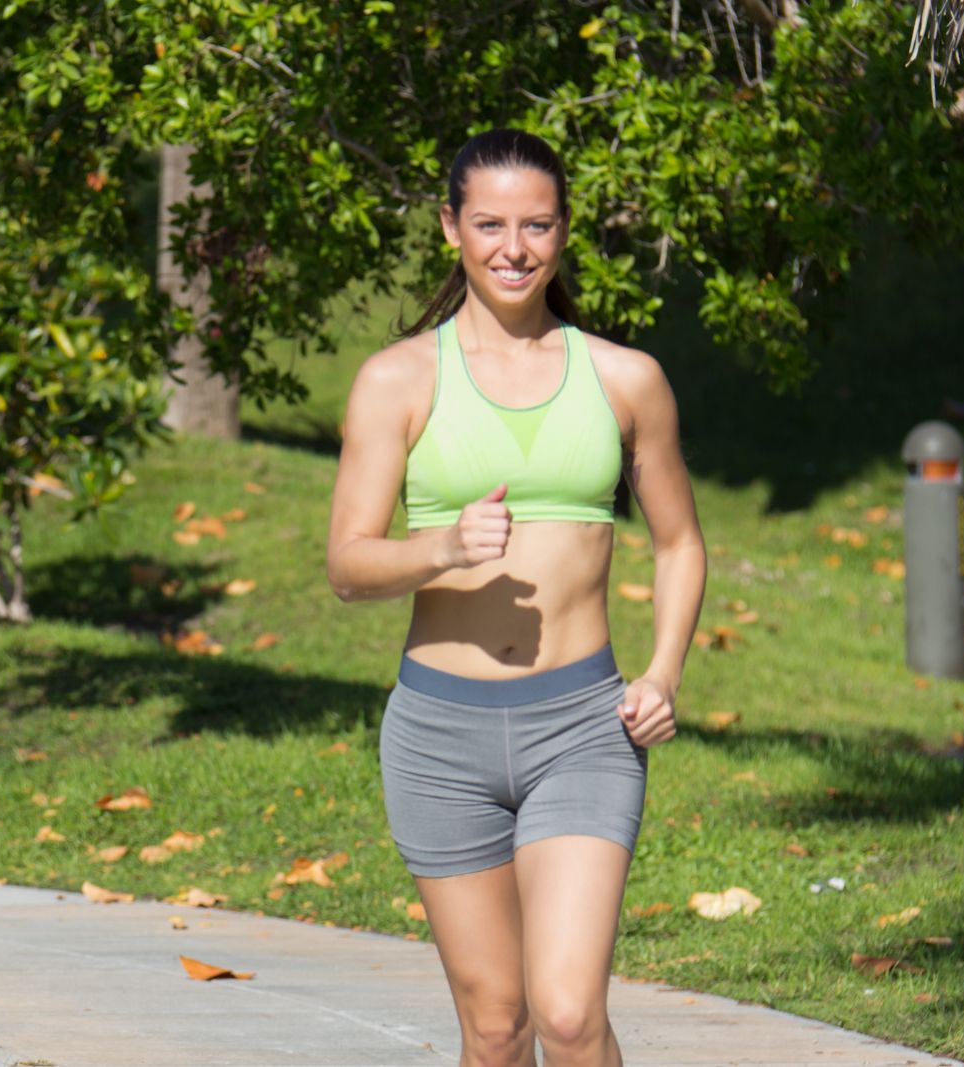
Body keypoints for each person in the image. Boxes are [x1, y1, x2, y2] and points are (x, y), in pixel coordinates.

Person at [325, 128, 706, 1067]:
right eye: (489, 223)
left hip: (580, 725)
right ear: (451, 226)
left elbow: (680, 543)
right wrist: (444, 547)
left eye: (536, 225)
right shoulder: (398, 380)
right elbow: (346, 564)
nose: (514, 247)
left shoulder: (625, 379)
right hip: (439, 737)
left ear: (563, 232)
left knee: (569, 1015)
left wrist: (662, 672)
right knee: (496, 1027)